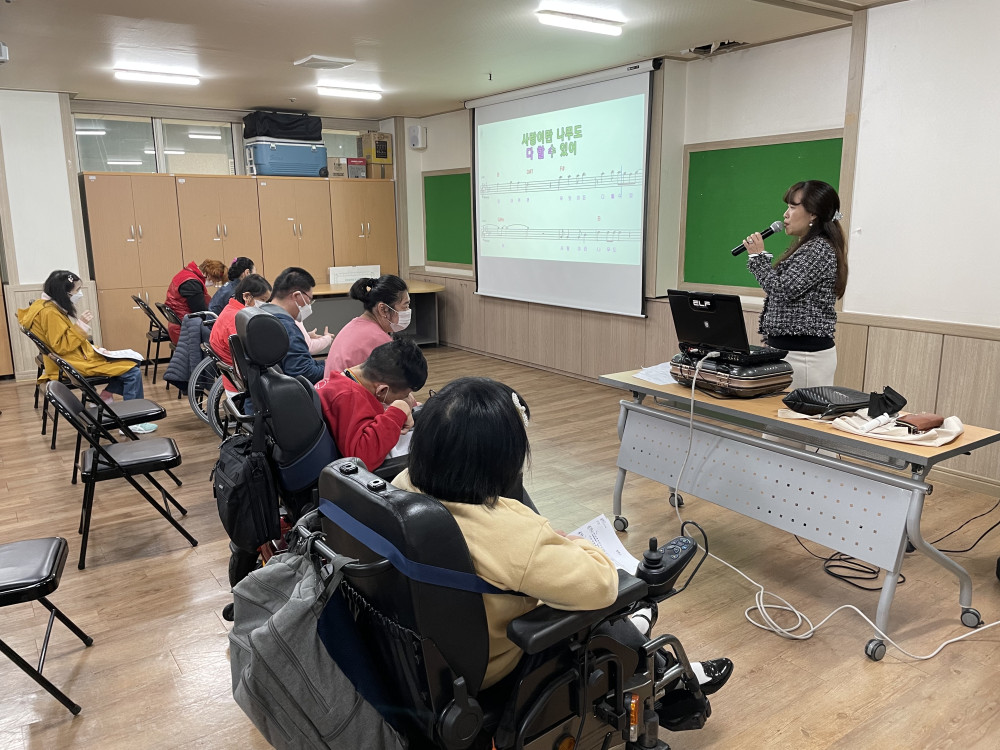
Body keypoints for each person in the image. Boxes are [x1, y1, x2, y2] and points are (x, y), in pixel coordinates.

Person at [391, 377, 733, 715]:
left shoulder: (402, 486)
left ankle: (638, 635)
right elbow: (602, 585)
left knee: (601, 612)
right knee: (605, 612)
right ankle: (671, 683)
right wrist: (572, 540)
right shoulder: (509, 536)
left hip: (424, 658)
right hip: (495, 664)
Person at [17, 270, 157, 432]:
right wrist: (81, 325)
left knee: (132, 361)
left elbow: (61, 340)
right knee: (132, 371)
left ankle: (106, 396)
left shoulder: (43, 306)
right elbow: (61, 346)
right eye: (77, 290)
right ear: (64, 293)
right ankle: (133, 421)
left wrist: (94, 348)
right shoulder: (50, 313)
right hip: (70, 363)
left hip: (70, 358)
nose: (79, 294)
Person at [744, 180, 848, 391]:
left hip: (805, 357)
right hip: (790, 353)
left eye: (792, 207)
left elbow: (783, 290)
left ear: (813, 214)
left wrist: (758, 258)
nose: (785, 214)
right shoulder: (806, 246)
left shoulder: (819, 249)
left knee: (801, 411)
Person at [316, 338, 427, 472]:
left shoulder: (342, 382)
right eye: (405, 395)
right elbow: (362, 459)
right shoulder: (348, 398)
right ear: (382, 390)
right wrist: (398, 410)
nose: (407, 399)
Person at [323, 275, 410, 380]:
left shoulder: (354, 326)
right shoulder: (379, 340)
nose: (408, 311)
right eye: (405, 306)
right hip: (345, 390)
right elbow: (394, 385)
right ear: (383, 309)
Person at [258, 267, 326, 384]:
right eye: (309, 300)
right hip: (290, 390)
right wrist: (336, 366)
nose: (309, 305)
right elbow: (306, 374)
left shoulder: (261, 312)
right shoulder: (287, 328)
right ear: (297, 296)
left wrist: (326, 362)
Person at [209, 274, 272, 399]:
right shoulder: (237, 320)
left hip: (234, 377)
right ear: (247, 296)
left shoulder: (230, 309)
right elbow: (253, 354)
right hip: (242, 382)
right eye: (263, 300)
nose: (264, 305)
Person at [165, 259, 227, 344]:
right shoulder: (192, 283)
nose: (213, 284)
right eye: (215, 281)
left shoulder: (187, 274)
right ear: (209, 275)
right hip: (185, 330)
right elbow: (200, 312)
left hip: (180, 325)